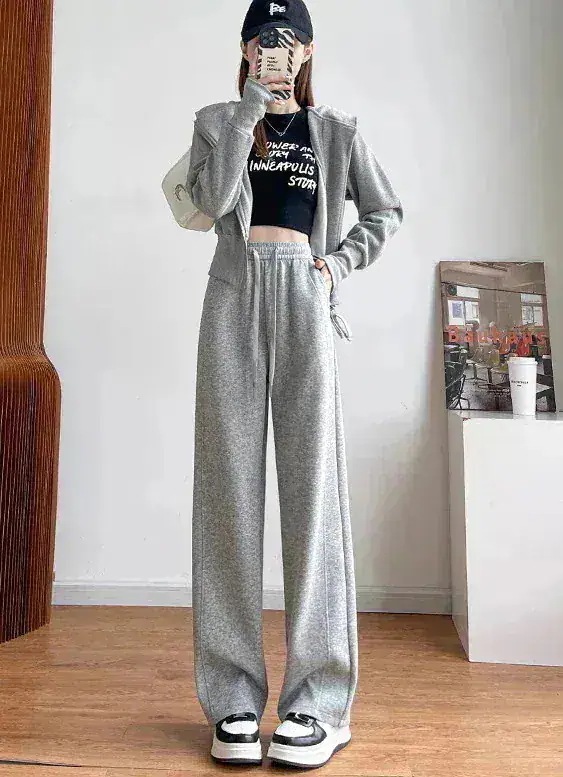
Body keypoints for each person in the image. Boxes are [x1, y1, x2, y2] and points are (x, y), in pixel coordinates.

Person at [186, 0, 403, 768]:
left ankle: (318, 701)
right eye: (260, 39)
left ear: (307, 51)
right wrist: (249, 107)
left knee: (314, 499)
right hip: (232, 298)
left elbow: (383, 210)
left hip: (306, 301)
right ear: (245, 49)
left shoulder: (334, 132)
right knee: (227, 495)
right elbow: (211, 202)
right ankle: (233, 698)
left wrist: (336, 265)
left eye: (286, 40)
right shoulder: (217, 122)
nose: (273, 49)